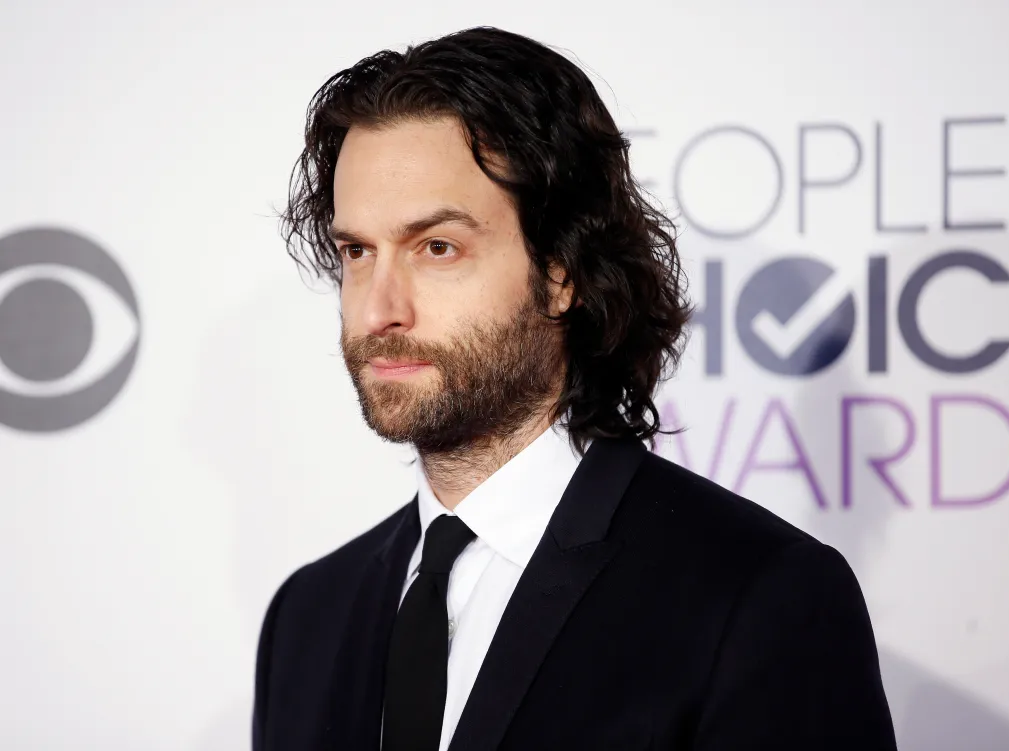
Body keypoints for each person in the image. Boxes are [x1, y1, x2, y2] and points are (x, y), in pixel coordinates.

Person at [253, 26, 897, 751]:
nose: (379, 308)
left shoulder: (757, 599)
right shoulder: (307, 618)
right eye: (357, 251)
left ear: (560, 271)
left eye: (437, 247)